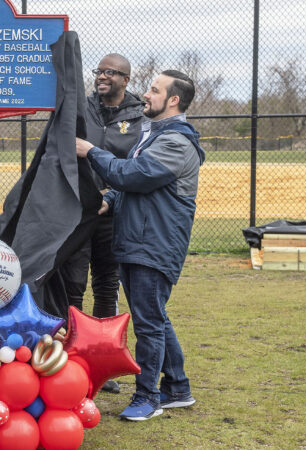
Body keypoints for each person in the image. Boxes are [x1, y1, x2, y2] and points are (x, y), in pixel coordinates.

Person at [76, 70, 205, 421]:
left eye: (154, 90)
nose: (145, 95)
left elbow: (134, 174)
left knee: (148, 323)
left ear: (173, 100)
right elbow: (135, 182)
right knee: (155, 318)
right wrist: (111, 200)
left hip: (155, 244)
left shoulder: (176, 142)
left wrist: (92, 152)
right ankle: (177, 388)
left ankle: (147, 397)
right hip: (138, 240)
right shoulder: (155, 135)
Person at [59, 54, 146, 394]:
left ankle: (100, 361)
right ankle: (71, 360)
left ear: (126, 78)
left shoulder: (138, 115)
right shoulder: (82, 107)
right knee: (73, 285)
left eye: (111, 72)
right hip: (80, 211)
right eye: (99, 71)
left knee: (107, 285)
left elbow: (136, 165)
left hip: (115, 213)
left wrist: (111, 194)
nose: (102, 77)